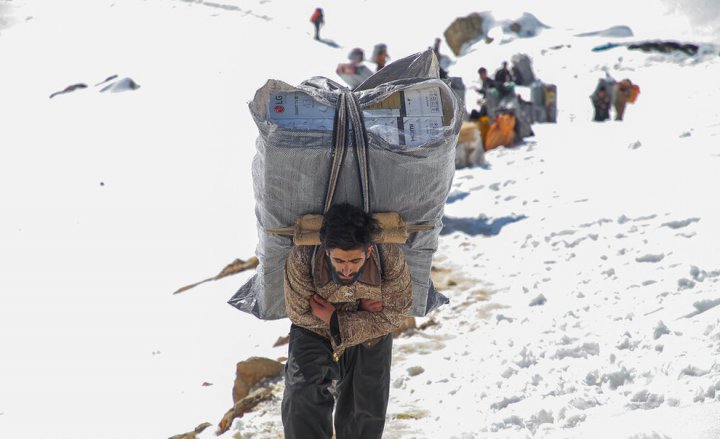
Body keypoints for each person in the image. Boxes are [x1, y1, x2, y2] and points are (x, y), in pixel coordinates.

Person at [281, 203, 413, 439]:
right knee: (301, 395)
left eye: (355, 261)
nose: (346, 269)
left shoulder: (389, 257)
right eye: (339, 261)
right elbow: (300, 313)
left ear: (369, 251)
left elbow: (397, 312)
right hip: (314, 332)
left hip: (367, 336)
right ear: (326, 250)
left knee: (365, 404)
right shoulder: (302, 257)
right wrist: (360, 312)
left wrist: (338, 318)